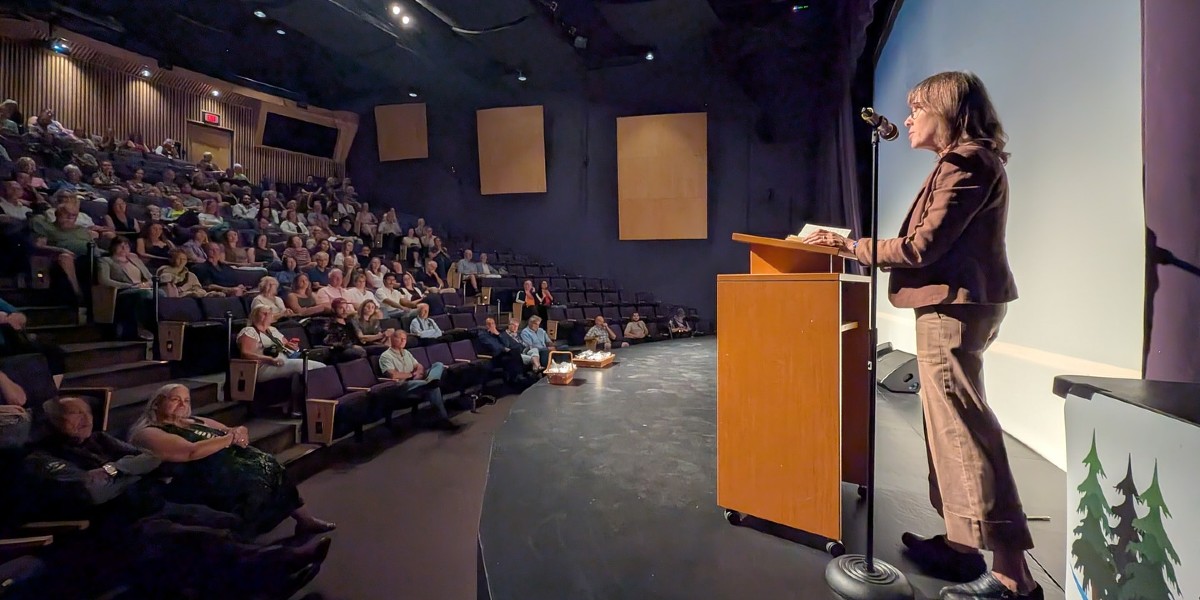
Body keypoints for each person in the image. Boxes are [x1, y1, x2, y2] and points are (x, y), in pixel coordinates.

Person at [802, 71, 1037, 600]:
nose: (906, 118)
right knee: (947, 429)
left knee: (962, 433)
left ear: (947, 112)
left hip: (952, 309)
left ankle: (1012, 578)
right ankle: (961, 548)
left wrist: (848, 248)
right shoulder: (963, 162)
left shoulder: (967, 161)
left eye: (916, 108)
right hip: (951, 305)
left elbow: (919, 248)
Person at [25, 396, 331, 598]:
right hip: (117, 524)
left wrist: (112, 470)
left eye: (85, 412)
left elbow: (149, 460)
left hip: (153, 503)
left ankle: (257, 578)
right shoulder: (42, 457)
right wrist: (125, 471)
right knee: (197, 535)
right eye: (71, 414)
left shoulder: (100, 440)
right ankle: (276, 566)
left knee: (226, 520)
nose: (83, 418)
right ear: (52, 423)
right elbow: (92, 492)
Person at [128, 384, 335, 537]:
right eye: (175, 399)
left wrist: (239, 432)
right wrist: (228, 439)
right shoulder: (148, 432)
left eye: (187, 400)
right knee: (253, 481)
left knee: (271, 466)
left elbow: (233, 430)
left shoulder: (194, 421)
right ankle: (242, 539)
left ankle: (305, 521)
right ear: (157, 404)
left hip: (228, 466)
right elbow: (189, 452)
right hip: (197, 477)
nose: (182, 404)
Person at [377, 330, 460, 431]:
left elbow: (419, 365)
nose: (403, 341)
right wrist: (411, 375)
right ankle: (444, 419)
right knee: (433, 388)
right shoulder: (386, 356)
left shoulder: (406, 352)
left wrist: (419, 372)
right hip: (404, 385)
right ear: (392, 339)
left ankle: (431, 380)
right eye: (400, 338)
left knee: (438, 365)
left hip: (419, 381)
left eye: (405, 339)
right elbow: (393, 374)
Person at [96, 237, 156, 340]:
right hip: (122, 291)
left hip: (141, 287)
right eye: (120, 245)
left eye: (127, 245)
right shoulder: (105, 260)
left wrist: (146, 284)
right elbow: (104, 280)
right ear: (113, 247)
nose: (124, 248)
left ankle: (156, 328)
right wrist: (130, 286)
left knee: (161, 293)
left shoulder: (135, 260)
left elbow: (150, 277)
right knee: (144, 294)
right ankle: (139, 328)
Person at [476, 317, 531, 384]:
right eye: (489, 324)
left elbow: (506, 343)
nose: (491, 326)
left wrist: (498, 334)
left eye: (493, 323)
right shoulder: (483, 335)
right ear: (485, 326)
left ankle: (519, 376)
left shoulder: (497, 333)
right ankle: (517, 378)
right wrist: (504, 349)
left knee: (514, 352)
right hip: (494, 357)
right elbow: (493, 346)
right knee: (512, 354)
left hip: (502, 354)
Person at [321, 298, 368, 363]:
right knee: (360, 352)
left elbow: (358, 335)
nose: (345, 311)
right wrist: (351, 346)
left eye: (346, 308)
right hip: (340, 350)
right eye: (341, 308)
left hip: (356, 346)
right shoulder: (330, 324)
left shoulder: (349, 321)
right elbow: (330, 342)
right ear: (334, 310)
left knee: (381, 349)